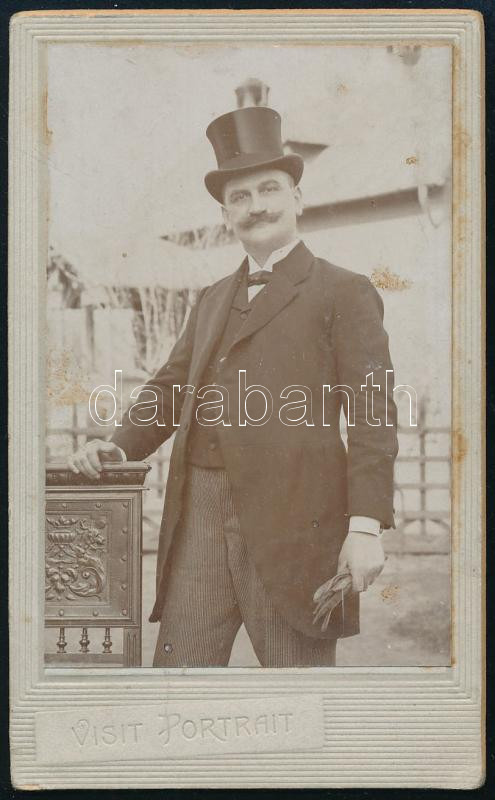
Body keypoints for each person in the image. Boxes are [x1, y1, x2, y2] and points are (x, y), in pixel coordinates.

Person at [69, 106, 398, 667]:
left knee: (297, 694)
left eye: (269, 189)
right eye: (239, 197)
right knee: (178, 685)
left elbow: (374, 416)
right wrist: (118, 447)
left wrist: (366, 526)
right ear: (225, 215)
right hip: (197, 514)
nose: (256, 206)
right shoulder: (212, 297)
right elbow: (170, 388)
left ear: (298, 198)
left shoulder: (345, 291)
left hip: (297, 524)